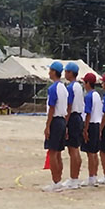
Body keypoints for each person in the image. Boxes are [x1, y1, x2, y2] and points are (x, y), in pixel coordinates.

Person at [42, 62, 68, 192]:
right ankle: (59, 180)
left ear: (54, 72)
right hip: (62, 120)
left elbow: (52, 107)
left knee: (52, 152)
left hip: (55, 120)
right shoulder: (63, 87)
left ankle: (55, 181)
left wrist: (47, 126)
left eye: (50, 70)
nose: (49, 72)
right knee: (58, 152)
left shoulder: (53, 88)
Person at [62, 62, 83, 190]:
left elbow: (68, 106)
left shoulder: (70, 87)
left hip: (73, 118)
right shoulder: (79, 86)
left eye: (66, 72)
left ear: (70, 73)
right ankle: (75, 177)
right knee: (75, 148)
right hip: (78, 117)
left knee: (72, 149)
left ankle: (73, 178)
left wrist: (65, 123)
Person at [80, 73, 101, 187]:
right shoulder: (97, 95)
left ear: (88, 83)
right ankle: (94, 176)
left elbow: (88, 113)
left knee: (90, 153)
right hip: (97, 124)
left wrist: (85, 129)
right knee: (94, 152)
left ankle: (91, 177)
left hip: (91, 124)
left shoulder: (88, 96)